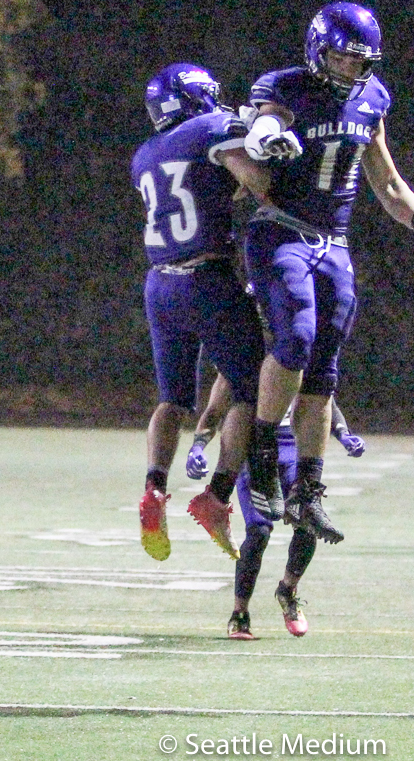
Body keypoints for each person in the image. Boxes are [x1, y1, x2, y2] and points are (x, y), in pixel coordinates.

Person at [240, 2, 414, 545]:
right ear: (318, 51)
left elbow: (385, 180)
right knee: (296, 337)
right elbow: (265, 121)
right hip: (282, 230)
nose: (348, 68)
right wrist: (266, 136)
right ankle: (263, 454)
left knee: (323, 372)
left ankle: (307, 492)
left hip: (334, 243)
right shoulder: (286, 87)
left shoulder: (373, 97)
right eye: (340, 58)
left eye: (358, 60)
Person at [130, 63, 271, 562]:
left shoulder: (145, 155)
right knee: (253, 391)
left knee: (171, 400)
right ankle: (217, 494)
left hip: (159, 284)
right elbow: (255, 181)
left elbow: (202, 187)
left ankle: (153, 489)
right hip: (206, 279)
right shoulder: (210, 127)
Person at [185, 372, 366, 639]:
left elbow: (323, 399)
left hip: (295, 451)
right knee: (258, 532)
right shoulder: (243, 358)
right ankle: (240, 613)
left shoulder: (297, 354)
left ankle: (287, 590)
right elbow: (215, 409)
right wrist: (198, 446)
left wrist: (343, 433)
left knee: (307, 520)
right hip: (254, 453)